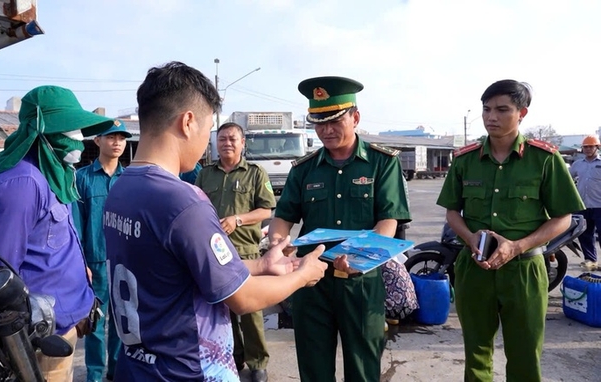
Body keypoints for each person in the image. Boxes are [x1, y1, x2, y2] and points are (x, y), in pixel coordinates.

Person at [102, 61, 327, 381]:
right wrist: (302, 276)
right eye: (209, 129)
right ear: (188, 122)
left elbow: (179, 272)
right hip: (186, 370)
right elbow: (244, 298)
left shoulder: (120, 189)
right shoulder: (182, 200)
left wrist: (262, 265)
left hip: (138, 366)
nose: (211, 141)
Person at [436, 79, 584, 381]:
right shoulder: (465, 160)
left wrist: (517, 246)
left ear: (522, 113)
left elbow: (563, 218)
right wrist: (471, 237)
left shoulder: (544, 159)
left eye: (502, 109)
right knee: (475, 352)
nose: (491, 116)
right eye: (487, 109)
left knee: (525, 354)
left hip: (524, 270)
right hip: (474, 268)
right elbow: (453, 211)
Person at [267, 76, 412, 382]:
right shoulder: (304, 169)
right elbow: (283, 217)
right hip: (309, 281)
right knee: (314, 368)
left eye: (334, 121)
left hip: (359, 282)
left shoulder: (381, 163)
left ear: (355, 118)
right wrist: (277, 244)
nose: (326, 130)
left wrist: (363, 257)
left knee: (363, 369)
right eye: (319, 123)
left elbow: (389, 219)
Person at [0, 85, 115, 381]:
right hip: (38, 341)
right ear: (43, 130)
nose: (79, 139)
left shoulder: (52, 174)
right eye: (71, 129)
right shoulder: (22, 184)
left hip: (61, 325)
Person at [195, 122, 276, 382]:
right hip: (214, 252)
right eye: (222, 139)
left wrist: (238, 219)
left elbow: (266, 210)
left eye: (232, 139)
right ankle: (234, 356)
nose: (226, 143)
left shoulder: (255, 173)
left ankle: (257, 363)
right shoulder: (205, 174)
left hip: (245, 250)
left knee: (251, 310)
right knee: (223, 309)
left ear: (243, 143)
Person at [73, 120, 132, 382]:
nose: (117, 142)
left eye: (121, 137)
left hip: (125, 261)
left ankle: (117, 369)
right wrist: (79, 262)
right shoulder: (82, 178)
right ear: (98, 141)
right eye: (111, 137)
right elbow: (75, 224)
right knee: (95, 321)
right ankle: (95, 374)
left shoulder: (130, 179)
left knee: (122, 320)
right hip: (94, 262)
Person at [569, 135, 601, 271]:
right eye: (585, 147)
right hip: (582, 205)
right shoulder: (578, 164)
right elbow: (567, 179)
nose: (588, 149)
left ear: (597, 147)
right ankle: (590, 259)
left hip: (599, 205)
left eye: (591, 146)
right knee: (584, 234)